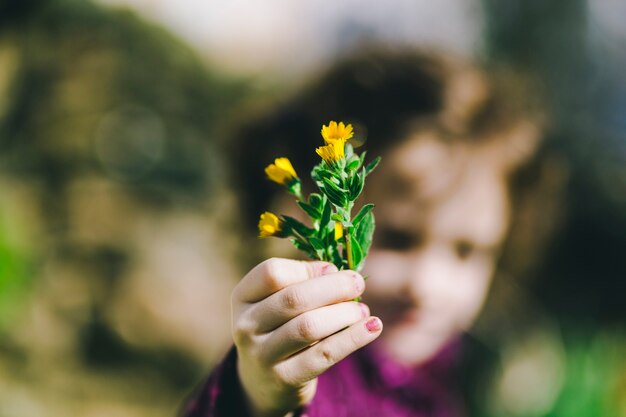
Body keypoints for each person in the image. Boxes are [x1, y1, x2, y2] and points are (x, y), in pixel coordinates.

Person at [182, 48, 558, 417]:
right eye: (397, 238)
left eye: (466, 250)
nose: (426, 286)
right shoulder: (307, 373)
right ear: (305, 209)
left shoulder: (451, 377)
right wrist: (260, 398)